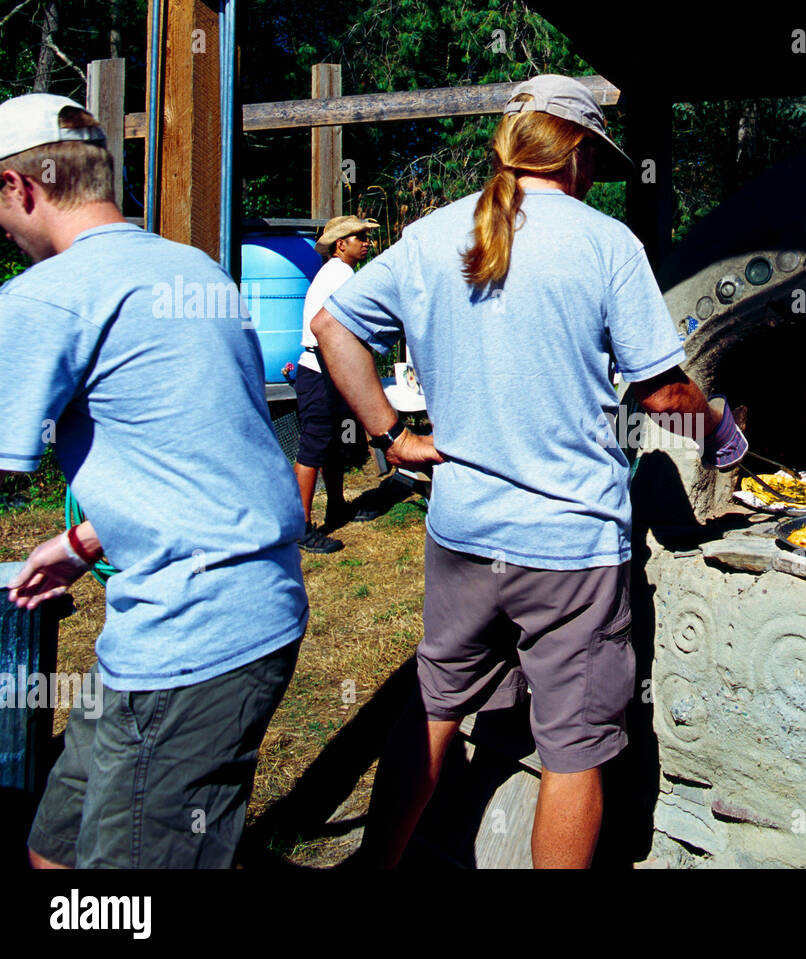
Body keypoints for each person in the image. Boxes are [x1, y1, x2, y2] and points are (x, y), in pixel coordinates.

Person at [311, 74, 746, 868]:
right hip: (569, 544)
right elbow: (661, 391)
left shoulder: (431, 235)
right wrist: (720, 429)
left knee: (434, 705)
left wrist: (390, 436)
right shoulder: (605, 243)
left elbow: (331, 326)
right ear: (575, 153)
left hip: (462, 534)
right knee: (575, 748)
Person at [0, 93, 308, 868]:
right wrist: (84, 538)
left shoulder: (42, 297)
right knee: (54, 850)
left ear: (21, 188)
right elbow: (207, 452)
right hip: (225, 615)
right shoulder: (194, 270)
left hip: (190, 641)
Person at [294, 214, 382, 553]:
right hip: (319, 372)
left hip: (326, 371)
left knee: (330, 445)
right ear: (340, 245)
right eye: (359, 237)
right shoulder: (340, 273)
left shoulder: (337, 273)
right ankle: (301, 526)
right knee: (313, 447)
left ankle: (336, 506)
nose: (366, 242)